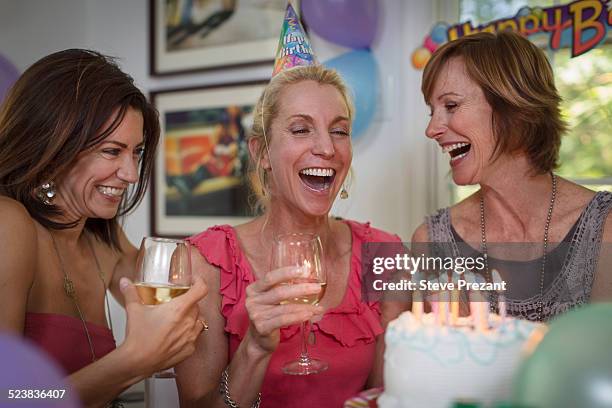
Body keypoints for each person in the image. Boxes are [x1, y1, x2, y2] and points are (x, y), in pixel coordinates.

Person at [175, 61, 401, 406]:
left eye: (339, 131)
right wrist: (254, 348)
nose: (327, 148)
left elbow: (390, 397)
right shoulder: (203, 262)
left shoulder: (384, 253)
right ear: (262, 152)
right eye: (300, 130)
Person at [0, 49, 208, 407]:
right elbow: (11, 396)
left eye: (136, 152)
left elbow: (180, 275)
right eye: (112, 152)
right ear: (54, 145)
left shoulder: (102, 239)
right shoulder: (10, 224)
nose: (130, 173)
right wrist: (132, 360)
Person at [412, 30, 612, 322]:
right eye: (432, 111)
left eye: (451, 105)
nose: (431, 129)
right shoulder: (433, 241)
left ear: (514, 107)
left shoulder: (603, 228)